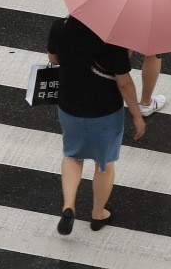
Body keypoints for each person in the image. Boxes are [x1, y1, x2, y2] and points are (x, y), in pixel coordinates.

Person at [47, 15, 145, 235]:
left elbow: (54, 60)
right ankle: (98, 213)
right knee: (104, 163)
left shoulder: (60, 27)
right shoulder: (114, 41)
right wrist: (137, 116)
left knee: (72, 155)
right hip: (104, 112)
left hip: (69, 105)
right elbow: (124, 83)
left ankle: (69, 206)